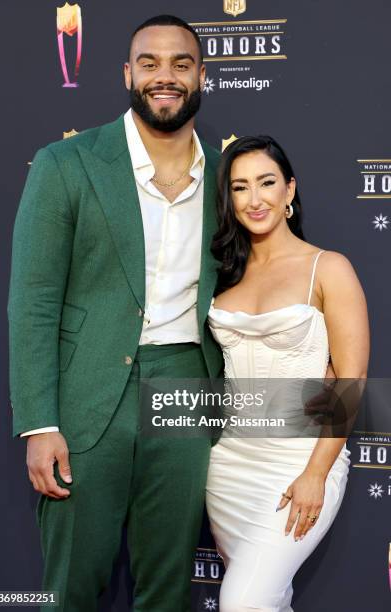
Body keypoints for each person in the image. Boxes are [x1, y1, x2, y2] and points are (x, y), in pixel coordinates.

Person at [7, 14, 223, 612]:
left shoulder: (231, 177)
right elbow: (32, 303)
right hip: (86, 390)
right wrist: (39, 422)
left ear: (202, 76)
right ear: (128, 74)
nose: (166, 77)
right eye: (150, 63)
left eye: (181, 64)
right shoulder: (66, 164)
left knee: (167, 585)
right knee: (69, 586)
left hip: (185, 384)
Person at [205, 135, 369, 611]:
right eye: (239, 188)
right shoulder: (224, 276)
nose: (254, 199)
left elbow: (352, 378)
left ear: (290, 190)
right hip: (229, 467)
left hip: (298, 465)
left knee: (243, 602)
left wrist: (316, 473)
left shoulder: (328, 268)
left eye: (267, 183)